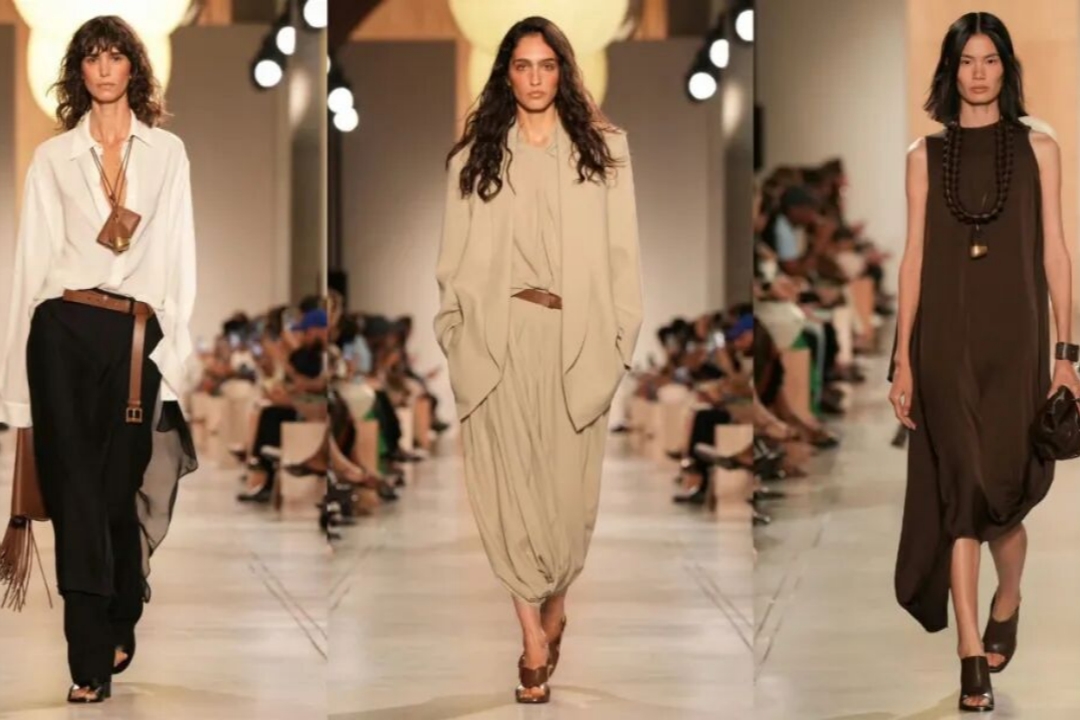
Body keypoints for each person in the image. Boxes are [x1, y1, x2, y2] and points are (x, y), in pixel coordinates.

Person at [433, 16, 643, 704]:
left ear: (563, 72)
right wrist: (455, 332)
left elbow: (624, 255)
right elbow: (451, 263)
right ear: (506, 74)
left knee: (567, 503)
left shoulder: (605, 153)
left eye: (546, 65)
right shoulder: (474, 160)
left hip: (576, 341)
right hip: (497, 343)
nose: (534, 78)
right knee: (508, 493)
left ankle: (556, 602)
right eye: (522, 66)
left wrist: (620, 342)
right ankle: (530, 635)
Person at [0, 16, 197, 703]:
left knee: (116, 492)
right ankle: (87, 660)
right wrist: (15, 393)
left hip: (136, 336)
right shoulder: (53, 158)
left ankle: (122, 608)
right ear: (78, 71)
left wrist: (176, 356)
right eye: (92, 57)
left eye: (116, 55)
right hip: (60, 329)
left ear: (133, 67)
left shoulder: (166, 153)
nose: (105, 68)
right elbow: (30, 264)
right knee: (75, 494)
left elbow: (179, 254)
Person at [887, 12, 1076, 712]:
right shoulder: (922, 156)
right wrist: (902, 359)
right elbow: (913, 259)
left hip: (1016, 341)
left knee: (1006, 499)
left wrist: (1067, 354)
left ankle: (1010, 596)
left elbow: (1055, 251)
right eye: (966, 60)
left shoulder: (1039, 149)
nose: (977, 73)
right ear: (950, 69)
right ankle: (971, 654)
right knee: (961, 496)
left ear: (1006, 68)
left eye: (990, 60)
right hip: (944, 344)